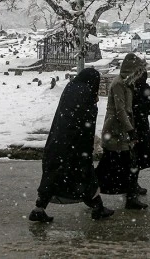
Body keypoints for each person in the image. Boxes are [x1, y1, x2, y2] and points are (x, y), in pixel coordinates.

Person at [29, 68, 114, 222]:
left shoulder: (72, 87)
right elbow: (86, 120)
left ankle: (38, 209)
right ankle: (97, 207)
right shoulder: (86, 92)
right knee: (85, 174)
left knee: (54, 175)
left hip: (59, 140)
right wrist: (87, 144)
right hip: (75, 143)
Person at [96, 53, 149, 210]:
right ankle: (90, 192)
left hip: (121, 132)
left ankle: (128, 197)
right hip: (115, 132)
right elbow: (120, 111)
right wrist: (131, 130)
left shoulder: (126, 83)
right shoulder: (119, 84)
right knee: (117, 165)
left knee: (125, 165)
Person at [131, 70, 150, 194]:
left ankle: (131, 183)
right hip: (141, 125)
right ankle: (132, 184)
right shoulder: (149, 91)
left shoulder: (130, 90)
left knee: (131, 155)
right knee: (138, 155)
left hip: (130, 124)